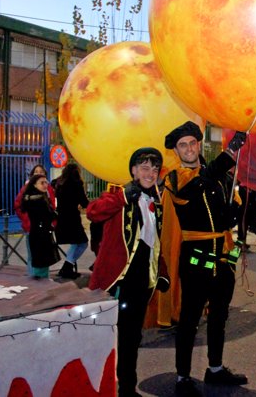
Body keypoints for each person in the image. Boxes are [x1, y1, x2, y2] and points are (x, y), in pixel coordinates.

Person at [158, 121, 248, 396]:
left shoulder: (218, 177)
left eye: (192, 143)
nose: (188, 148)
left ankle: (215, 369)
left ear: (199, 145)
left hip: (223, 256)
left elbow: (225, 210)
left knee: (219, 316)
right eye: (182, 145)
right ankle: (183, 377)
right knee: (189, 319)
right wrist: (231, 151)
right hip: (196, 259)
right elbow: (198, 185)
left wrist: (234, 208)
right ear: (176, 151)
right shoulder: (175, 178)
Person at [87, 148, 170, 397]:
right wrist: (124, 195)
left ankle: (127, 389)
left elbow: (155, 242)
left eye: (154, 169)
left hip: (141, 282)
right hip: (116, 282)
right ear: (133, 171)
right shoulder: (118, 195)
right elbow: (93, 212)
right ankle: (98, 388)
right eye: (144, 167)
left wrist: (162, 272)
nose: (150, 173)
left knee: (131, 339)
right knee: (105, 340)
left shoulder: (156, 201)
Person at [14, 164, 57, 276]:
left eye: (41, 172)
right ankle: (33, 279)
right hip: (33, 228)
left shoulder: (48, 190)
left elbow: (52, 206)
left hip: (45, 229)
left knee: (43, 258)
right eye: (36, 172)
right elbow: (19, 206)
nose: (39, 174)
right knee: (35, 257)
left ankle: (38, 278)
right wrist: (27, 220)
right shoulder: (29, 194)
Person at [54, 164, 90, 279]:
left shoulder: (58, 183)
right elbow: (84, 202)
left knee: (76, 243)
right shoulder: (76, 183)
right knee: (83, 243)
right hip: (72, 219)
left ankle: (66, 268)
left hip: (61, 218)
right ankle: (67, 267)